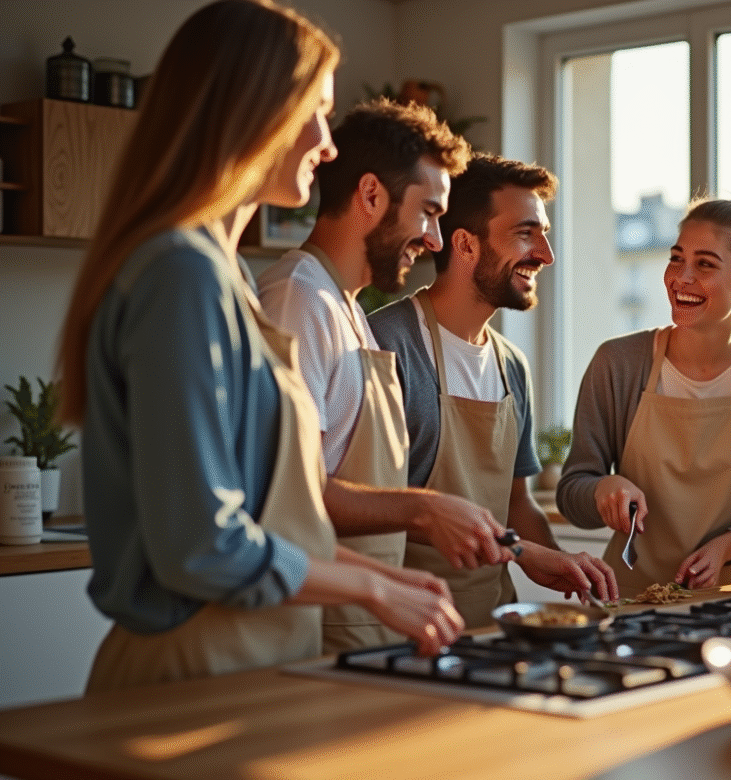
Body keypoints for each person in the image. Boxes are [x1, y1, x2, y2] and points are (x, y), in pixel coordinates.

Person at [56, 0, 462, 693]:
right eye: (316, 110)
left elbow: (264, 519)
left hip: (251, 661)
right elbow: (201, 546)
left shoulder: (223, 275)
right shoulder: (182, 273)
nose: (327, 144)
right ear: (252, 111)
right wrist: (370, 592)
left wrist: (383, 578)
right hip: (192, 669)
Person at [258, 99, 514, 652]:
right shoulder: (297, 302)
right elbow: (286, 501)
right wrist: (424, 509)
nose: (437, 241)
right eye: (428, 212)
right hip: (323, 624)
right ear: (371, 195)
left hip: (364, 622)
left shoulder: (345, 308)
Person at [368, 154, 618, 627]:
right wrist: (523, 553)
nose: (546, 254)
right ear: (464, 245)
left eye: (543, 234)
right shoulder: (386, 345)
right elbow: (367, 506)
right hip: (402, 625)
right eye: (526, 233)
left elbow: (516, 504)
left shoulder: (511, 365)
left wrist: (561, 561)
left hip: (490, 624)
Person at [556, 181, 731, 597]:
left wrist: (729, 545)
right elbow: (570, 493)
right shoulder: (619, 363)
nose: (680, 278)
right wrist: (602, 489)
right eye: (676, 258)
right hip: (628, 600)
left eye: (705, 265)